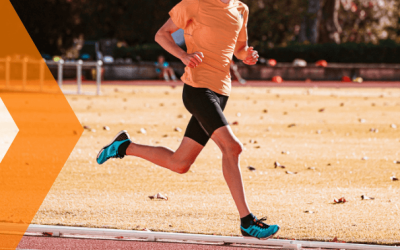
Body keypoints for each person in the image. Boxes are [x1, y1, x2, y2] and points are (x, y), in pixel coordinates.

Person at [97, 0, 279, 239]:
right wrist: (183, 56)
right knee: (232, 147)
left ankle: (123, 146)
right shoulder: (196, 3)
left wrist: (248, 55)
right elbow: (161, 34)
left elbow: (239, 49)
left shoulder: (240, 9)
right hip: (197, 89)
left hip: (221, 91)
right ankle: (247, 221)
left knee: (180, 163)